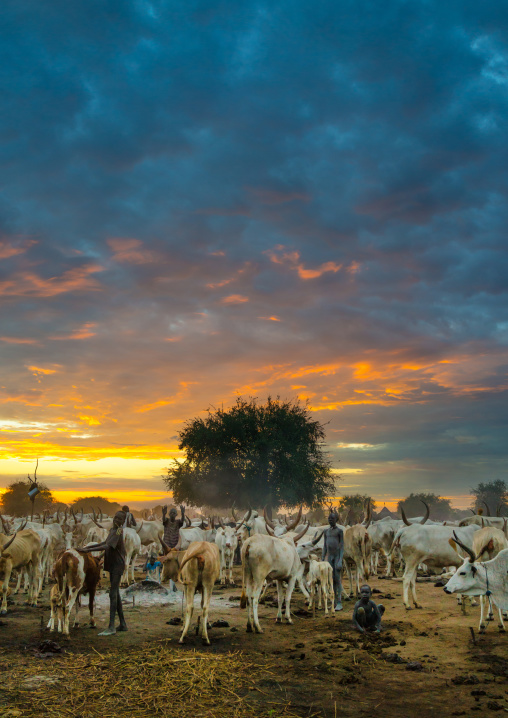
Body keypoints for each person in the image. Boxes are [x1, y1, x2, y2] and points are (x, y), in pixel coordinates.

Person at [79, 510, 128, 636]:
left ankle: (111, 627)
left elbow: (107, 546)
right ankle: (122, 624)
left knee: (113, 594)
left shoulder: (118, 531)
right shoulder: (113, 530)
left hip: (117, 564)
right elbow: (104, 543)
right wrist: (87, 549)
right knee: (115, 592)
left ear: (123, 522)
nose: (116, 520)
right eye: (115, 518)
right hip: (112, 564)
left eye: (119, 519)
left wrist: (86, 550)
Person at [322, 508, 344, 611]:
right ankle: (333, 602)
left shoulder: (339, 531)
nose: (330, 520)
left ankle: (339, 602)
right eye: (329, 518)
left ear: (336, 519)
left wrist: (340, 560)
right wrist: (322, 560)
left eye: (332, 518)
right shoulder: (326, 531)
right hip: (329, 557)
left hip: (337, 557)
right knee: (330, 580)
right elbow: (325, 547)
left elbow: (342, 547)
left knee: (337, 579)